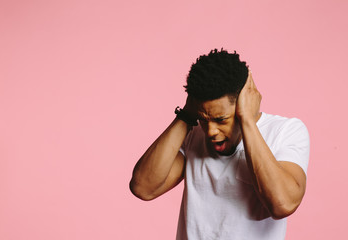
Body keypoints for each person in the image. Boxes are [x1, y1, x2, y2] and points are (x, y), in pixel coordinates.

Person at [129, 49, 310, 240]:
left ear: (243, 102)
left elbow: (283, 204)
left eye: (221, 119)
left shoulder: (286, 131)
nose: (210, 131)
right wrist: (187, 115)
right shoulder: (193, 134)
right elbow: (143, 188)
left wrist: (247, 120)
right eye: (203, 119)